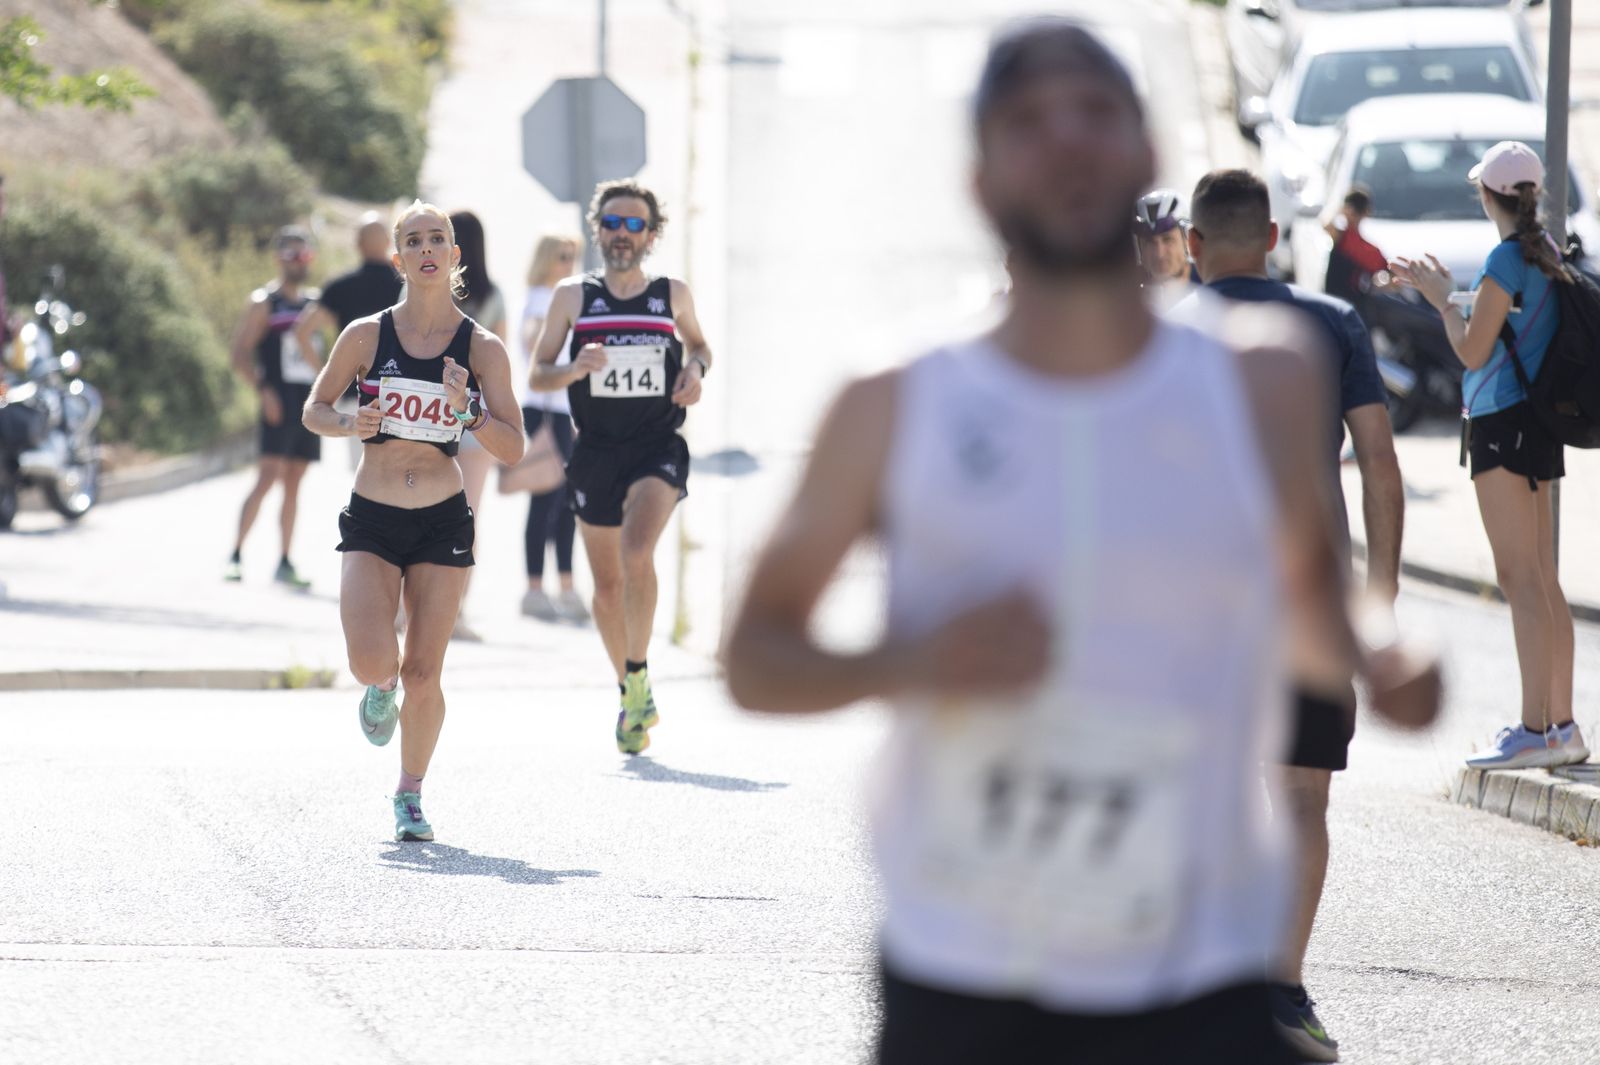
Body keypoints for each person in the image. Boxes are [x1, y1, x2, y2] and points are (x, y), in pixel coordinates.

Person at [723, 20, 1439, 1065]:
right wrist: (913, 662)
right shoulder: (892, 399)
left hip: (1193, 963)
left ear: (1148, 157)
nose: (1064, 141)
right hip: (963, 969)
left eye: (1095, 112)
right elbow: (754, 660)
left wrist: (1386, 657)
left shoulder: (1263, 380)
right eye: (1026, 122)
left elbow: (1315, 618)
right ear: (978, 180)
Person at [1184, 167, 1404, 1062]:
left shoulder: (1161, 330)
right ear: (1273, 238)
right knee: (1303, 793)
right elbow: (1381, 467)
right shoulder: (1331, 322)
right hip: (1308, 598)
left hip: (1193, 605)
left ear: (1194, 246)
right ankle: (1281, 984)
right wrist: (1378, 599)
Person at [301, 201, 523, 842]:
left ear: (455, 257)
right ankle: (379, 686)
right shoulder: (366, 336)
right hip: (372, 515)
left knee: (427, 671)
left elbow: (514, 446)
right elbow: (315, 408)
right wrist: (350, 422)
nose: (427, 248)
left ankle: (410, 794)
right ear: (398, 258)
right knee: (371, 657)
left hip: (442, 519)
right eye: (413, 240)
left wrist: (471, 412)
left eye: (438, 239)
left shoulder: (481, 348)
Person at [1391, 140, 1587, 771]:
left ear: (1487, 195)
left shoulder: (1505, 260)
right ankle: (1561, 727)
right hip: (1539, 428)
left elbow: (1472, 353)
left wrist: (1442, 301)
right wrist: (1454, 299)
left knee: (1519, 580)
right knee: (1543, 580)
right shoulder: (1546, 253)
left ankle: (1534, 728)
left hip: (1502, 427)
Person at [529, 179, 714, 755]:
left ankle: (637, 669)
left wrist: (695, 374)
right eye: (612, 223)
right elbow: (538, 375)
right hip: (596, 451)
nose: (622, 235)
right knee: (607, 588)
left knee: (638, 553)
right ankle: (632, 688)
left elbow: (702, 347)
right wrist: (573, 368)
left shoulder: (671, 294)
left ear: (652, 235)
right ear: (597, 230)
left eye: (635, 225)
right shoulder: (571, 297)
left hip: (657, 443)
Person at [224, 226, 324, 589]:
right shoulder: (265, 301)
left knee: (295, 481)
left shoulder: (315, 303)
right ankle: (235, 554)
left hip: (307, 403)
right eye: (291, 255)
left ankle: (285, 560)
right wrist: (263, 391)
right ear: (278, 259)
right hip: (278, 400)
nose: (298, 262)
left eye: (304, 255)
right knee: (267, 476)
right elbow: (239, 354)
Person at [293, 212, 403, 471]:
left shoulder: (340, 287)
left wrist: (328, 374)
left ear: (357, 244)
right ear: (389, 241)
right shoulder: (407, 285)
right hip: (404, 391)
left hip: (359, 396)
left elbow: (302, 332)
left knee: (365, 476)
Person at [444, 209, 509, 643]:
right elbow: (500, 367)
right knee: (467, 519)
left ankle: (403, 610)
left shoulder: (432, 295)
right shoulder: (494, 297)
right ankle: (458, 613)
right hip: (477, 419)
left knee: (414, 510)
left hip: (430, 414)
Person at [518, 234, 586, 623]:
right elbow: (531, 347)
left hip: (562, 408)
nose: (568, 262)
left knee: (565, 500)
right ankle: (536, 588)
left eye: (572, 256)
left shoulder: (556, 299)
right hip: (545, 407)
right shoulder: (542, 299)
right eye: (562, 256)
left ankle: (563, 585)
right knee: (547, 497)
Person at [1322, 187, 1388, 305]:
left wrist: (1339, 211)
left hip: (1341, 303)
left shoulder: (1341, 238)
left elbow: (1325, 225)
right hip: (1352, 306)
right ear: (1367, 212)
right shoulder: (1369, 249)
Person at [1133, 187, 1194, 286]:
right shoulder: (1122, 296)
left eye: (1167, 240)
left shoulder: (1214, 293)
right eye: (1149, 242)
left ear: (1188, 240)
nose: (1159, 253)